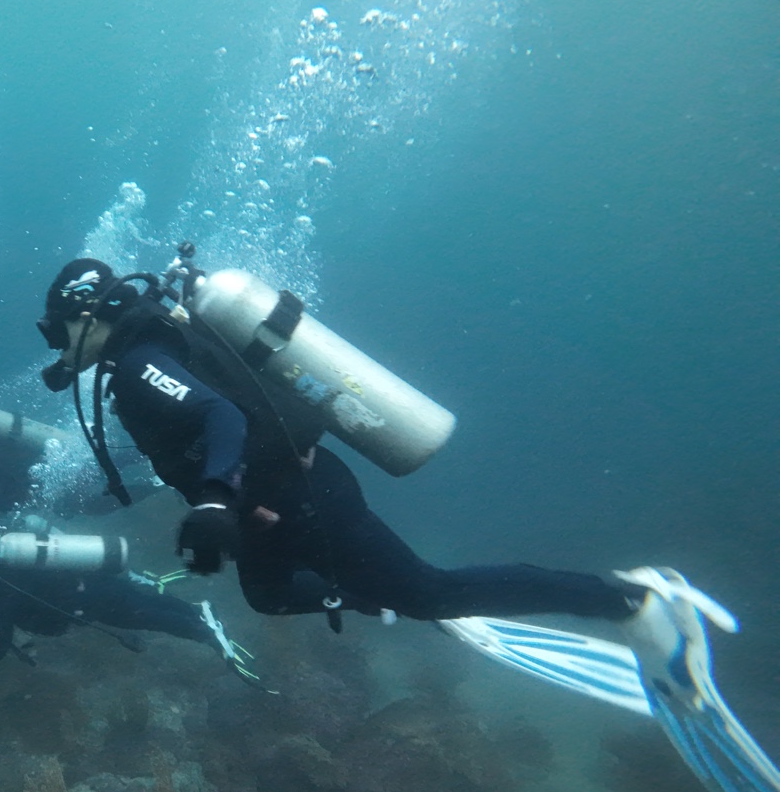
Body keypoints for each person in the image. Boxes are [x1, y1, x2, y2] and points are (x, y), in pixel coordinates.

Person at [34, 256, 659, 628]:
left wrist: (215, 501)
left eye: (53, 328)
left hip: (305, 495)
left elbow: (221, 415)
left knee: (433, 595)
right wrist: (234, 504)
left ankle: (624, 600)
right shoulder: (152, 347)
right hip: (272, 500)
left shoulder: (143, 361)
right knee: (268, 596)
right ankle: (372, 597)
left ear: (85, 312)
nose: (55, 345)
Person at [0, 513, 261, 684]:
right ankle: (198, 610)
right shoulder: (4, 567)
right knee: (146, 604)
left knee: (151, 618)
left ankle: (208, 634)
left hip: (93, 603)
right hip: (95, 583)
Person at [0, 405, 157, 519]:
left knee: (92, 502)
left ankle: (158, 482)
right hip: (56, 465)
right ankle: (152, 454)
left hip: (54, 477)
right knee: (105, 465)